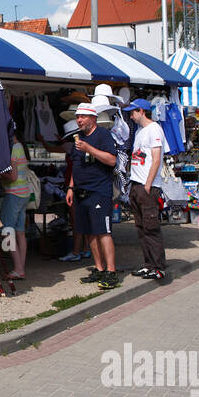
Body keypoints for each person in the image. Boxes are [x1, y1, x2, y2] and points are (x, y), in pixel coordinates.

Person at [64, 105, 120, 289]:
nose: (79, 120)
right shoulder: (78, 139)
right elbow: (76, 166)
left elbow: (112, 160)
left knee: (103, 231)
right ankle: (99, 268)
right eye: (78, 117)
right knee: (89, 232)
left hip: (99, 191)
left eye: (83, 117)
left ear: (93, 118)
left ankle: (111, 272)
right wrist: (71, 187)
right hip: (81, 192)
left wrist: (90, 148)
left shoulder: (102, 135)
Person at [124, 98, 168, 281]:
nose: (131, 116)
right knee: (141, 228)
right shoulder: (140, 131)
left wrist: (148, 184)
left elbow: (156, 159)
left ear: (142, 111)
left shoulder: (154, 129)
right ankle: (148, 264)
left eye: (133, 112)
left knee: (151, 228)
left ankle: (158, 267)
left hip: (147, 186)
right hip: (137, 183)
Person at [0, 120, 30, 280]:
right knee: (20, 232)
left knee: (5, 232)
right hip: (24, 193)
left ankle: (17, 267)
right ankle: (20, 268)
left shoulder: (12, 149)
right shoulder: (21, 147)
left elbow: (12, 176)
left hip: (13, 193)